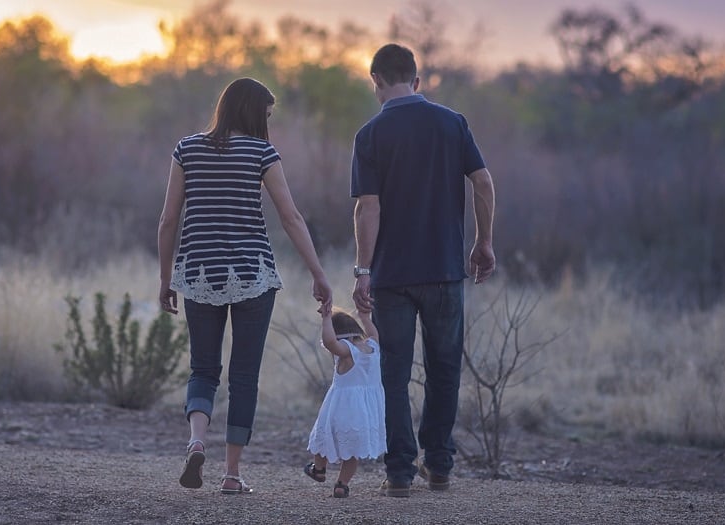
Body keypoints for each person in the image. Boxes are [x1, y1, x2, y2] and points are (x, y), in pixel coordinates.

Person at [157, 77, 332, 495]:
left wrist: (166, 279)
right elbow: (291, 218)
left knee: (203, 368)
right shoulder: (261, 152)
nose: (268, 124)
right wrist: (318, 273)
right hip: (253, 274)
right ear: (254, 113)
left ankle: (197, 440)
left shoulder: (187, 149)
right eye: (267, 115)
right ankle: (232, 475)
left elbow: (167, 220)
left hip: (199, 273)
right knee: (244, 376)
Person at [350, 43, 497, 497]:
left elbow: (367, 209)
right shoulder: (452, 123)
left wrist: (362, 269)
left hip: (392, 276)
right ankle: (439, 465)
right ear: (417, 80)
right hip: (445, 270)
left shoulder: (370, 134)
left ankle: (398, 473)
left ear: (375, 82)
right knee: (444, 369)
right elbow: (483, 182)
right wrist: (484, 242)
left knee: (393, 373)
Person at [303, 307, 386, 498]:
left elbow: (330, 342)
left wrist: (325, 319)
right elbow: (373, 332)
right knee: (352, 451)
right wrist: (365, 317)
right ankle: (342, 484)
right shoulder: (373, 346)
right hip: (365, 413)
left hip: (341, 409)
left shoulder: (347, 351)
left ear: (340, 335)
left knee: (323, 439)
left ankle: (319, 469)